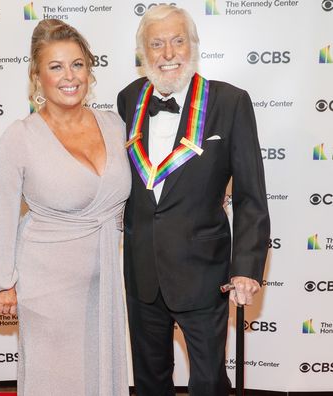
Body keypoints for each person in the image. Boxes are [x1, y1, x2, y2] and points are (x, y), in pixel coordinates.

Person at [117, 5, 270, 396]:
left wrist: (247, 268)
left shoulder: (230, 102)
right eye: (156, 44)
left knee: (209, 382)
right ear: (143, 54)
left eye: (177, 40)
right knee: (149, 383)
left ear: (194, 45)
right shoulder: (128, 99)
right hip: (142, 274)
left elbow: (251, 197)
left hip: (204, 276)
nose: (168, 53)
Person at [0, 19, 130, 396]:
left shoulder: (115, 125)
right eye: (56, 66)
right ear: (36, 75)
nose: (70, 76)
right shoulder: (21, 137)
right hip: (47, 286)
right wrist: (3, 285)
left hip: (105, 281)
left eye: (77, 64)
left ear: (90, 69)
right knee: (56, 382)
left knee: (100, 375)